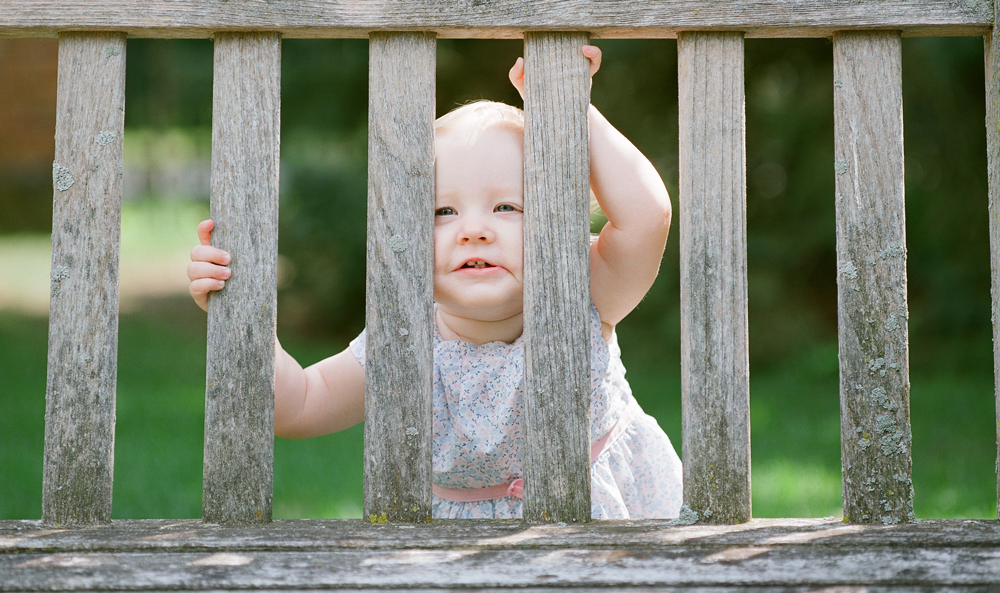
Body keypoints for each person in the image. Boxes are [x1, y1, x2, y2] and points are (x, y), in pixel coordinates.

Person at [188, 45, 683, 519]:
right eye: (442, 211)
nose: (474, 230)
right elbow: (297, 406)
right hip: (452, 562)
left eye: (507, 207)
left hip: (606, 538)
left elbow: (647, 215)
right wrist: (240, 310)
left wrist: (570, 108)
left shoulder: (584, 293)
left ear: (560, 219)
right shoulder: (402, 341)